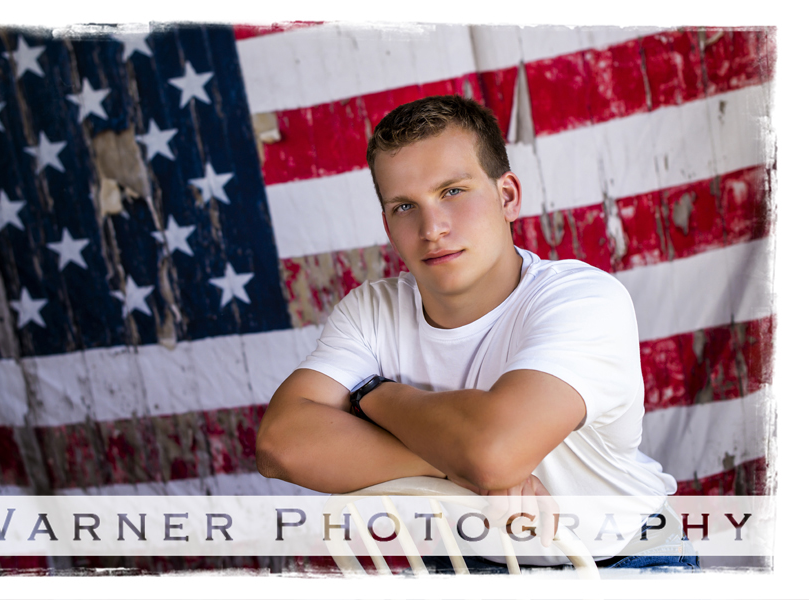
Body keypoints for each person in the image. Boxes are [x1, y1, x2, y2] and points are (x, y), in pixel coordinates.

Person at [256, 95, 697, 571]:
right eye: (405, 206)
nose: (432, 228)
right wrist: (456, 467)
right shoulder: (371, 310)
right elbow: (281, 445)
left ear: (507, 197)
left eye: (452, 191)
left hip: (621, 562)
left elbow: (496, 452)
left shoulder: (582, 298)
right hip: (472, 561)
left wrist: (374, 395)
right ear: (387, 224)